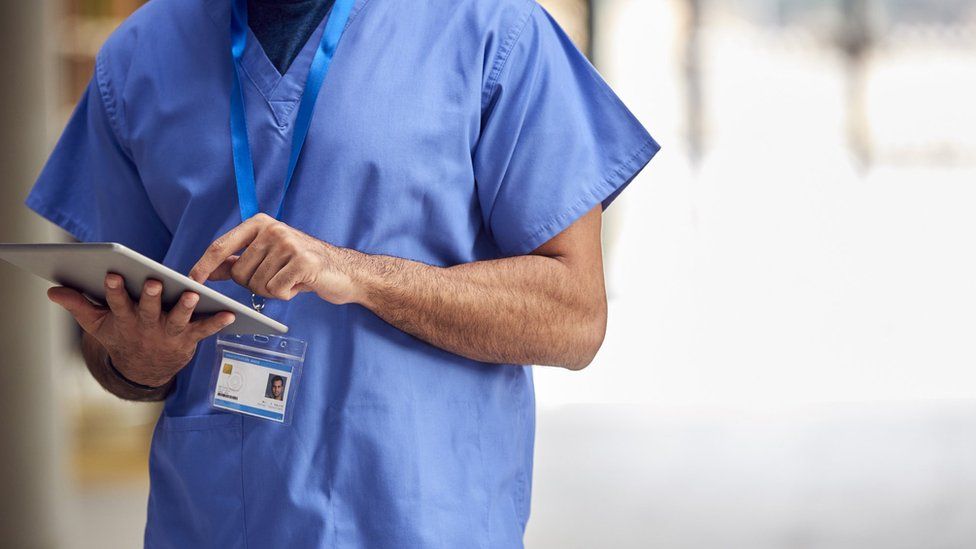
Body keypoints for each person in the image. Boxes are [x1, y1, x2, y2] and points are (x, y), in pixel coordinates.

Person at [27, 0, 659, 546]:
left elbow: (574, 317)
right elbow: (116, 349)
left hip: (423, 521)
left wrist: (358, 274)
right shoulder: (138, 56)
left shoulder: (491, 31)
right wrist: (140, 359)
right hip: (215, 523)